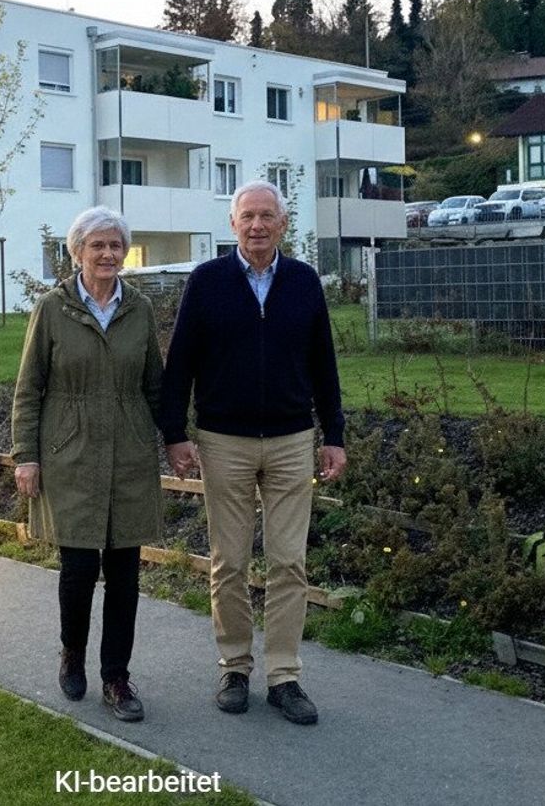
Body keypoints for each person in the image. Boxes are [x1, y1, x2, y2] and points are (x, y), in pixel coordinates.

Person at [160, 180, 347, 726]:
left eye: (268, 216)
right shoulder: (208, 282)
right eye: (248, 216)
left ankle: (284, 677)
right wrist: (174, 433)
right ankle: (235, 667)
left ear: (283, 224)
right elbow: (181, 364)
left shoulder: (304, 282)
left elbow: (324, 366)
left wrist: (332, 434)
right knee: (230, 562)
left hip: (292, 441)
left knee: (290, 562)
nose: (258, 225)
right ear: (233, 224)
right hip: (224, 442)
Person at [11, 206, 165, 723]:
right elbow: (29, 387)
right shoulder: (52, 309)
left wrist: (176, 439)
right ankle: (72, 654)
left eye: (115, 246)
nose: (107, 254)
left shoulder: (139, 309)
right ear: (77, 252)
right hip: (70, 453)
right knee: (78, 570)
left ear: (125, 252)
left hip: (129, 454)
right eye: (96, 246)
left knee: (125, 574)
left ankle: (116, 678)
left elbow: (155, 385)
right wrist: (26, 455)